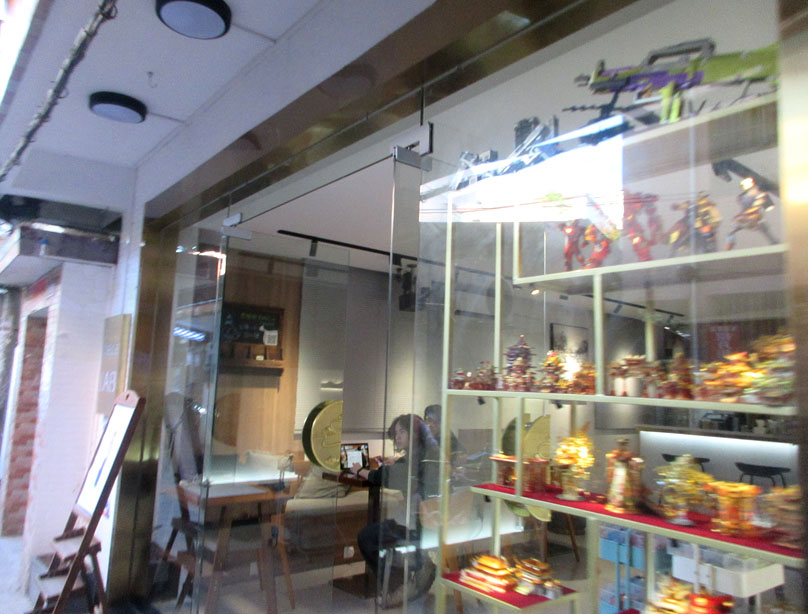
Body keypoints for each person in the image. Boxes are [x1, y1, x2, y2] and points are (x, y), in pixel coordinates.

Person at [352, 414, 438, 608]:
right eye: (396, 433)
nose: (397, 437)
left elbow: (382, 477)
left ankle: (399, 585)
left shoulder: (414, 460)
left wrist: (359, 470)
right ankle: (418, 567)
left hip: (418, 523)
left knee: (367, 537)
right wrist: (397, 465)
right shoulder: (428, 454)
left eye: (402, 432)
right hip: (431, 520)